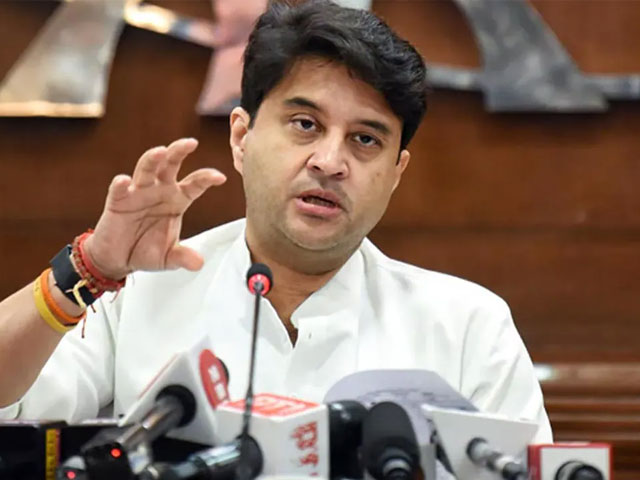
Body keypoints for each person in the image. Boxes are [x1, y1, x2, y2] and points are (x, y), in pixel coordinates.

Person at [0, 0, 552, 442]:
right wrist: (90, 266)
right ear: (242, 138)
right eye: (305, 124)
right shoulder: (136, 293)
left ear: (396, 172)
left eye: (365, 139)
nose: (330, 162)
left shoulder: (467, 326)